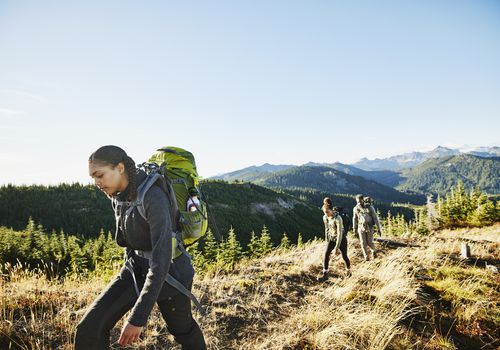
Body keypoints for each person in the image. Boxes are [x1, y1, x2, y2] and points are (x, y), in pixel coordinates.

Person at [75, 145, 206, 349]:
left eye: (99, 175)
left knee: (182, 330)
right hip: (135, 269)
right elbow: (129, 241)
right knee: (89, 329)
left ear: (119, 168)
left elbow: (161, 261)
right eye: (93, 177)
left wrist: (138, 317)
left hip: (171, 274)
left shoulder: (153, 197)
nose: (96, 182)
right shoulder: (119, 196)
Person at [317, 197, 351, 281]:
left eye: (327, 212)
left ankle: (348, 271)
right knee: (326, 254)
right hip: (331, 238)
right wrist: (327, 239)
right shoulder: (325, 217)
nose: (326, 214)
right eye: (324, 213)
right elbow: (326, 228)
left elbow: (340, 233)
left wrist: (336, 248)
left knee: (344, 256)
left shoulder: (338, 218)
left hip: (341, 239)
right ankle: (325, 274)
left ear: (331, 210)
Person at [352, 194, 383, 261]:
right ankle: (366, 257)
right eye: (358, 201)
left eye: (360, 201)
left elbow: (375, 218)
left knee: (369, 242)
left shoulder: (370, 207)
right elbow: (354, 218)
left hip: (369, 226)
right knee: (363, 243)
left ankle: (373, 251)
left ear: (363, 200)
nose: (359, 203)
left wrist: (378, 228)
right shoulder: (355, 209)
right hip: (361, 227)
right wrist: (354, 228)